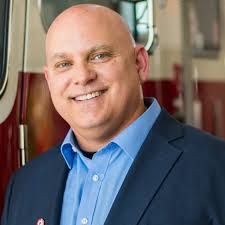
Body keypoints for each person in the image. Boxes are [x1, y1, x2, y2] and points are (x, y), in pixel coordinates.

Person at [2, 4, 225, 225]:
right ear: (49, 80)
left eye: (99, 56)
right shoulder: (24, 185)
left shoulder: (216, 169)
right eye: (64, 64)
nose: (82, 76)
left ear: (140, 63)